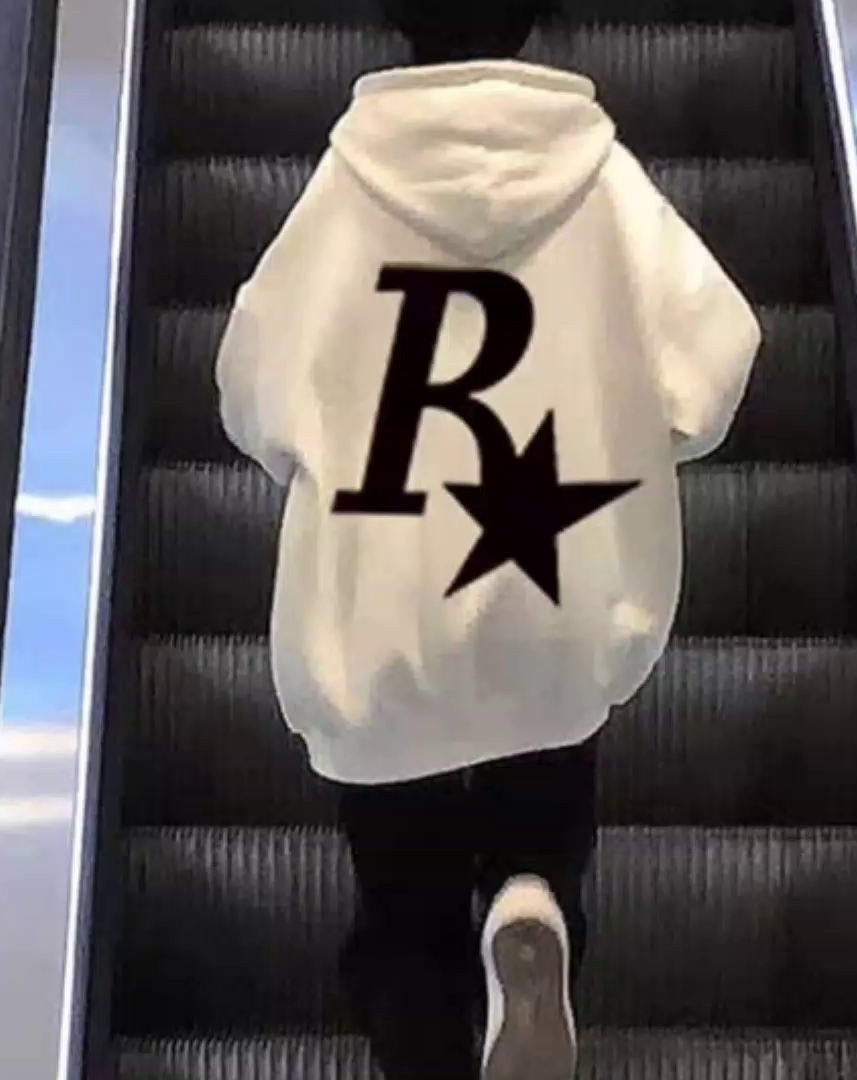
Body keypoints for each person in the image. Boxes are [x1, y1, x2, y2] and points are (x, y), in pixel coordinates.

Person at [214, 3, 762, 1077]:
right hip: (554, 591)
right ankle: (531, 896)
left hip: (384, 617)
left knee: (401, 899)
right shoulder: (602, 181)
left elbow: (252, 388)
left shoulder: (349, 188)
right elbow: (717, 360)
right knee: (545, 781)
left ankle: (425, 1027)